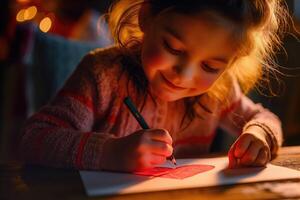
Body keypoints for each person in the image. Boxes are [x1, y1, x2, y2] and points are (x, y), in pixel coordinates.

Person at [19, 0, 289, 172]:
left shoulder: (218, 92)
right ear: (146, 17)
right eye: (172, 47)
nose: (184, 74)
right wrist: (110, 153)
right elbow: (34, 139)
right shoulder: (102, 74)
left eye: (210, 67)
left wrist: (259, 134)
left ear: (230, 64)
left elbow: (264, 118)